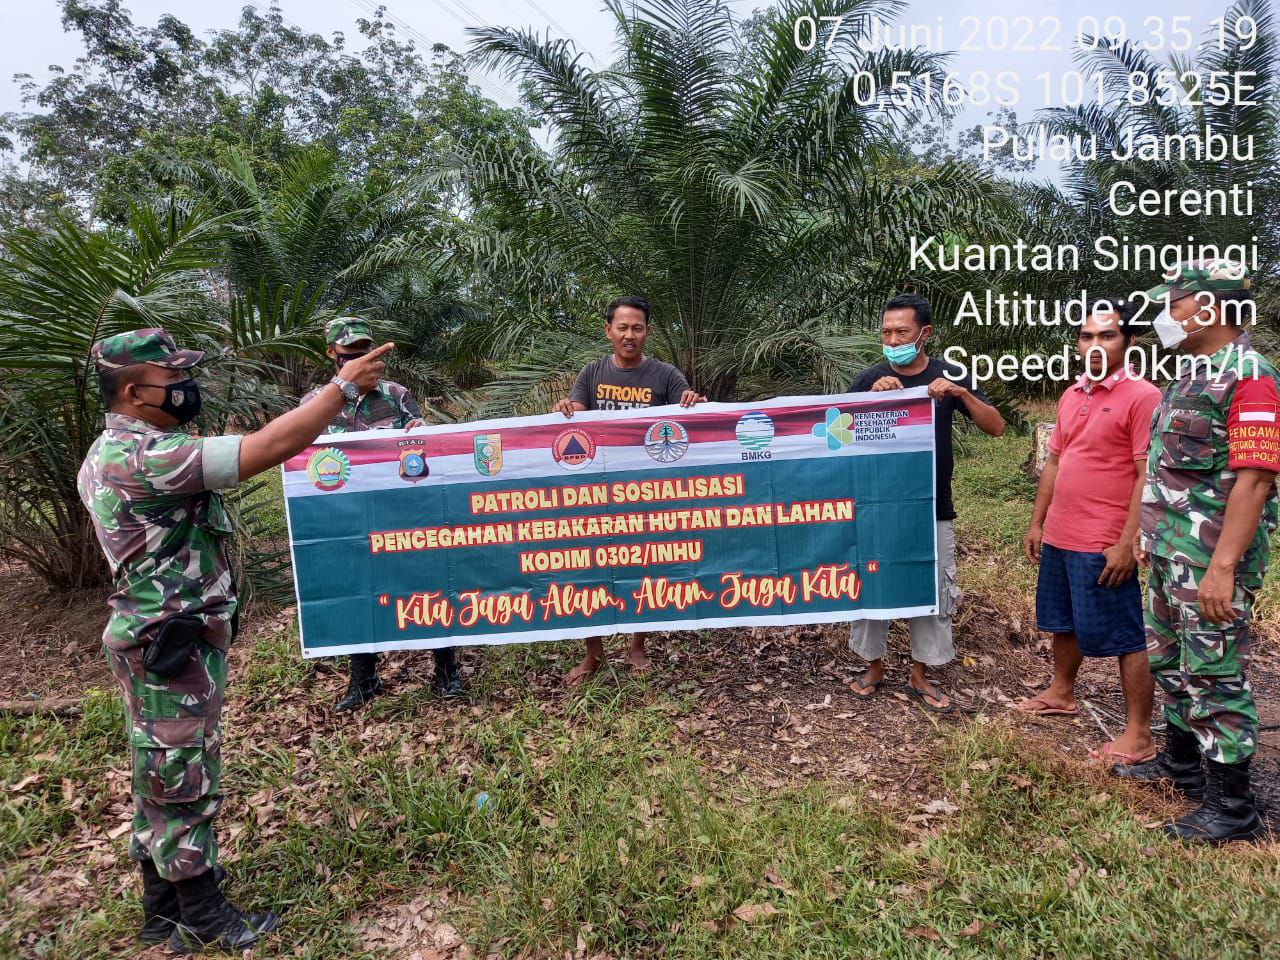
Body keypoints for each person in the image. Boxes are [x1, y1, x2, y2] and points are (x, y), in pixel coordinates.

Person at [79, 328, 393, 951]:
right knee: (181, 770)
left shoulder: (122, 447)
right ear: (137, 390)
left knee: (160, 763)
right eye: (174, 378)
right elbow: (264, 447)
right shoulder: (143, 456)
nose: (185, 387)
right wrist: (339, 389)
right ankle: (201, 910)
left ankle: (160, 907)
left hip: (161, 635)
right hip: (169, 640)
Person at [1112, 260, 1275, 844]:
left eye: (1174, 304)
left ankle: (1232, 808)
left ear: (1208, 307)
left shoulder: (1249, 376)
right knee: (1169, 662)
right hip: (1168, 555)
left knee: (1213, 671)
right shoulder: (1189, 375)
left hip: (1209, 562)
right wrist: (1142, 536)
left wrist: (1224, 569)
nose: (1166, 316)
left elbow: (1255, 478)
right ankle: (1183, 768)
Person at [846, 293, 1005, 712]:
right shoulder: (868, 380)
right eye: (886, 331)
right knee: (872, 583)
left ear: (924, 333)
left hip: (932, 504)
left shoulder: (949, 375)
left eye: (902, 331)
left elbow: (997, 427)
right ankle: (874, 666)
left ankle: (920, 674)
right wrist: (870, 401)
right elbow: (838, 436)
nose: (893, 338)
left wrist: (960, 392)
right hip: (876, 507)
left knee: (933, 590)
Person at [1018, 299, 1160, 763]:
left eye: (1107, 336)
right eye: (1086, 336)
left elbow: (1146, 475)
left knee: (1125, 635)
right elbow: (1056, 461)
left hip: (1104, 538)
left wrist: (1127, 539)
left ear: (1129, 341)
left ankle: (1138, 733)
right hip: (1061, 533)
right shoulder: (1071, 394)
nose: (1095, 345)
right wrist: (1039, 522)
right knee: (1062, 620)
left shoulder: (1143, 396)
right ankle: (1062, 692)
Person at [299, 317, 464, 710]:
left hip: (403, 513)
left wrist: (424, 435)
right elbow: (299, 457)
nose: (360, 361)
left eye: (366, 353)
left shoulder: (396, 395)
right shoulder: (315, 404)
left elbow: (421, 453)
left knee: (429, 584)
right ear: (332, 355)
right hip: (345, 517)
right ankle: (363, 678)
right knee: (357, 592)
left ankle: (445, 670)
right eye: (349, 356)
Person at [553, 295, 703, 684]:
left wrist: (693, 404)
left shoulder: (666, 376)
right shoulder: (592, 372)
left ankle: (637, 646)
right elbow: (578, 421)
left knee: (644, 566)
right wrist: (568, 410)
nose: (630, 335)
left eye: (637, 328)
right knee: (588, 567)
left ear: (647, 332)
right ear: (608, 331)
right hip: (596, 493)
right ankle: (593, 654)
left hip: (646, 493)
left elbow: (686, 423)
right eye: (622, 327)